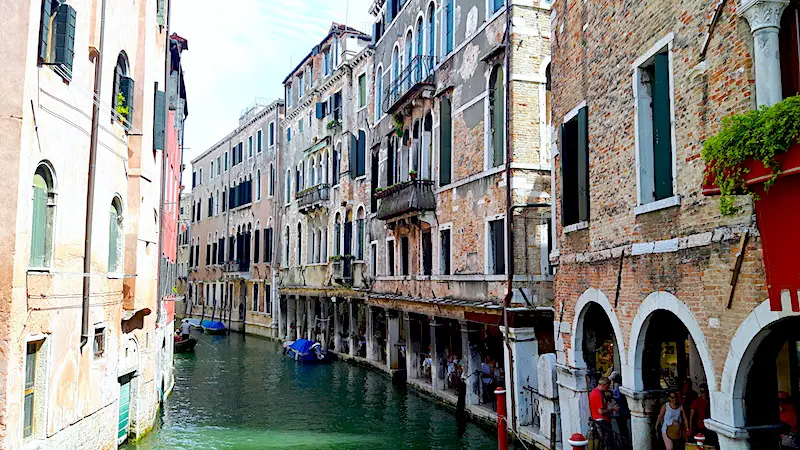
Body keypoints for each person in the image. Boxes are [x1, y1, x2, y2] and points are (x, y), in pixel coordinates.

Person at [590, 377, 617, 448]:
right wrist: (612, 409)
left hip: (599, 420)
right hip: (602, 421)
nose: (608, 388)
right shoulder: (598, 394)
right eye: (608, 386)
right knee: (608, 442)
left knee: (605, 441)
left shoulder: (595, 391)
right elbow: (601, 412)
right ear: (604, 385)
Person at [610, 371, 631, 448]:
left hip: (621, 409)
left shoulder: (621, 386)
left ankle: (625, 442)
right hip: (619, 409)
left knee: (623, 427)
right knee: (622, 427)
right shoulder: (618, 385)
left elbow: (620, 397)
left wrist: (612, 396)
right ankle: (624, 442)